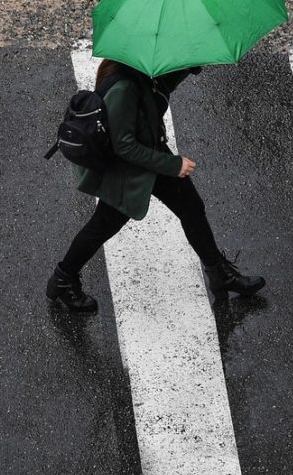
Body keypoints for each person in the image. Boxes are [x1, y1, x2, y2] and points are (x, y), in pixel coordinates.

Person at [47, 59, 265, 312]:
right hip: (129, 171)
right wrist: (173, 165)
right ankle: (63, 279)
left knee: (191, 208)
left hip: (149, 155)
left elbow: (159, 92)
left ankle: (220, 274)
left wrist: (186, 65)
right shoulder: (124, 88)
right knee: (103, 225)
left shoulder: (140, 74)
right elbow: (124, 146)